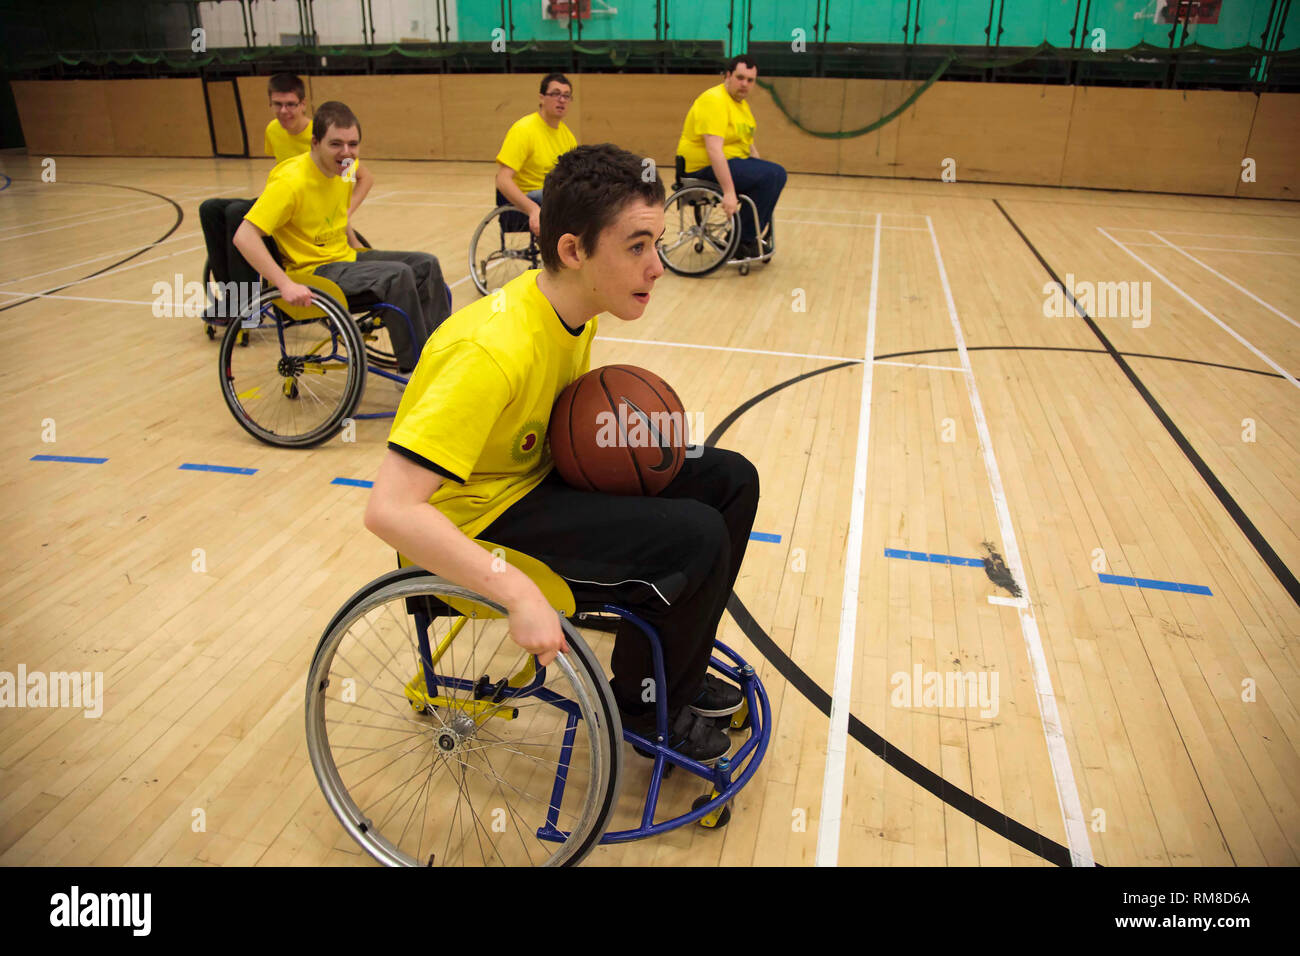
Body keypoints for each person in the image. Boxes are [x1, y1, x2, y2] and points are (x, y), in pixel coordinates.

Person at [363, 144, 760, 765]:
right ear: (573, 250)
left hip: (532, 482)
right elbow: (390, 511)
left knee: (730, 479)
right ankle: (642, 703)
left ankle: (671, 672)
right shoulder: (489, 351)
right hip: (472, 527)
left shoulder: (575, 308)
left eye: (656, 243)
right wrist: (518, 593)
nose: (658, 266)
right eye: (637, 247)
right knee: (694, 535)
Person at [233, 101, 449, 373]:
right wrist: (285, 284)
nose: (346, 152)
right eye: (336, 144)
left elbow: (335, 208)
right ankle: (417, 371)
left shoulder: (345, 167)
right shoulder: (290, 181)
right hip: (314, 270)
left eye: (353, 144)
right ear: (315, 142)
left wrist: (352, 237)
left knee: (426, 264)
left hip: (344, 258)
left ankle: (442, 353)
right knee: (398, 275)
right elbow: (244, 236)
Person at [199, 74, 374, 319]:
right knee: (210, 208)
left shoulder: (323, 138)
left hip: (312, 214)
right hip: (286, 200)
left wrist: (346, 217)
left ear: (303, 105)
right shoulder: (273, 130)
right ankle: (231, 293)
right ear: (269, 104)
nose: (284, 111)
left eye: (291, 104)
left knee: (237, 214)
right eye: (278, 104)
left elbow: (352, 180)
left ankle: (245, 301)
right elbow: (282, 172)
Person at [676, 54, 787, 259]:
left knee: (774, 174)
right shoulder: (715, 100)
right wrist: (728, 192)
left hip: (733, 161)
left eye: (750, 80)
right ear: (727, 75)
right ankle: (740, 240)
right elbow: (714, 150)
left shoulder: (741, 106)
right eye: (740, 77)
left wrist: (758, 164)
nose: (745, 84)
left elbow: (747, 142)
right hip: (702, 166)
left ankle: (745, 236)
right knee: (773, 175)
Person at [494, 73, 577, 235]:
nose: (562, 100)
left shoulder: (568, 136)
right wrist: (532, 209)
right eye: (555, 94)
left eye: (566, 96)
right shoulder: (524, 130)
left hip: (553, 196)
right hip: (528, 200)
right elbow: (502, 180)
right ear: (541, 98)